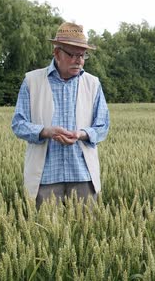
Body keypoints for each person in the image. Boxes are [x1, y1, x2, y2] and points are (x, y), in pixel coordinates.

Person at [12, 22, 110, 208]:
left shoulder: (93, 84)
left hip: (83, 174)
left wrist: (81, 134)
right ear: (57, 53)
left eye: (82, 55)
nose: (78, 60)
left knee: (87, 232)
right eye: (72, 55)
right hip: (44, 177)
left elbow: (103, 126)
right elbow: (18, 124)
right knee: (43, 233)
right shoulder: (32, 81)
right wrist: (46, 132)